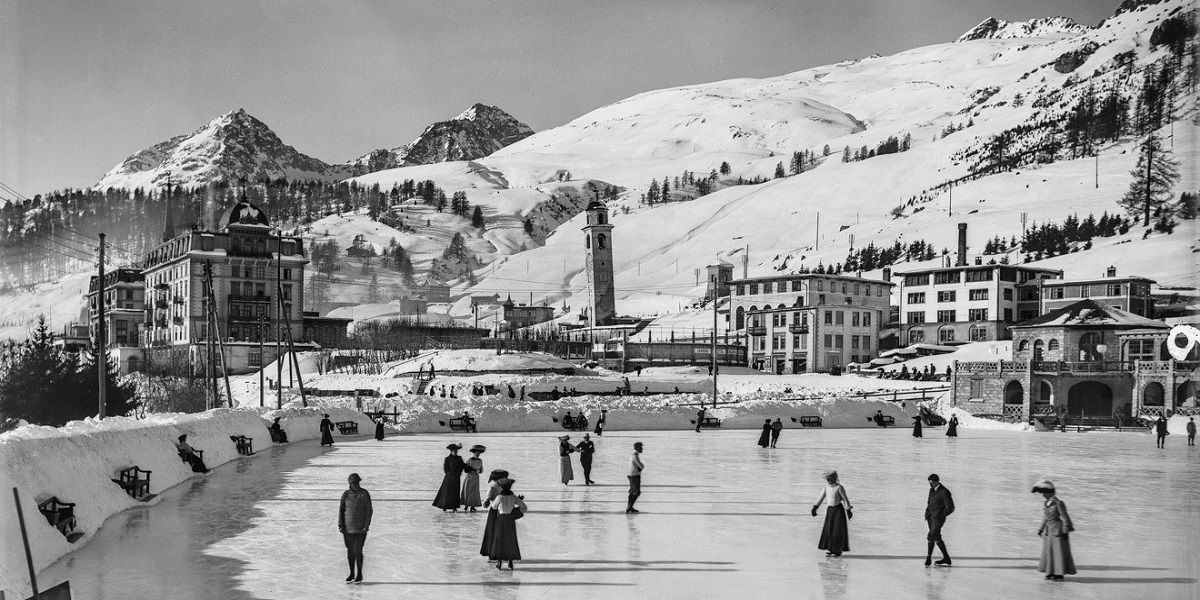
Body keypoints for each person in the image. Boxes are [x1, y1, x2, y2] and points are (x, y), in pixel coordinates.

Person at [1032, 479, 1075, 580]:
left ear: (1049, 492)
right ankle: (1050, 571)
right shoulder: (1046, 503)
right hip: (1048, 531)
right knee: (1049, 551)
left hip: (1058, 530)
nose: (1042, 495)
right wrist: (1040, 529)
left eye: (1044, 493)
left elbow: (1065, 517)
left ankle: (1059, 573)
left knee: (1057, 552)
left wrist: (1065, 531)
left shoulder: (1059, 503)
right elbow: (1045, 518)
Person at [338, 472, 372, 584]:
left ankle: (360, 574)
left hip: (361, 529)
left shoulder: (364, 494)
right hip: (348, 529)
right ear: (350, 484)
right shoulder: (346, 495)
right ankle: (352, 573)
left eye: (357, 482)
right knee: (350, 552)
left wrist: (366, 525)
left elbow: (369, 511)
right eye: (354, 483)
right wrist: (340, 525)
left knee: (358, 551)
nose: (356, 484)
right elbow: (342, 510)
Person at [488, 478, 528, 570]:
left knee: (500, 540)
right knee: (510, 540)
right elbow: (524, 508)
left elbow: (493, 507)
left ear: (502, 488)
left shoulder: (499, 497)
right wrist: (516, 510)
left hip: (501, 520)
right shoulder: (513, 497)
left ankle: (499, 562)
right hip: (510, 520)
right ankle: (510, 561)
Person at [810, 470, 852, 557]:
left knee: (837, 531)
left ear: (834, 478)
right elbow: (821, 498)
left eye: (829, 479)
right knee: (829, 530)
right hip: (830, 511)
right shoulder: (826, 487)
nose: (828, 480)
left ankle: (837, 550)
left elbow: (845, 499)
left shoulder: (839, 487)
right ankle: (831, 549)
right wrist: (815, 507)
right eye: (827, 479)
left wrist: (848, 510)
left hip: (838, 511)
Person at [924, 474, 954, 567]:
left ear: (937, 481)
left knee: (931, 535)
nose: (930, 485)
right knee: (936, 537)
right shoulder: (932, 489)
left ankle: (928, 558)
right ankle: (946, 558)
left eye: (932, 483)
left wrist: (941, 515)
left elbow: (950, 507)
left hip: (938, 518)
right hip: (930, 517)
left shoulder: (944, 492)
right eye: (929, 483)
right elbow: (929, 502)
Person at [479, 469, 509, 557]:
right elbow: (486, 503)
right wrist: (487, 502)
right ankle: (491, 553)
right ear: (496, 479)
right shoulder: (492, 488)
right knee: (494, 532)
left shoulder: (503, 487)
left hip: (503, 511)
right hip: (495, 512)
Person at [432, 443, 467, 511]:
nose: (455, 452)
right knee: (447, 493)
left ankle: (454, 507)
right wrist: (452, 472)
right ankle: (444, 506)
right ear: (451, 451)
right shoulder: (447, 459)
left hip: (456, 478)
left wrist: (471, 468)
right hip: (449, 478)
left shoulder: (459, 458)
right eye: (454, 450)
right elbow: (445, 469)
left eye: (456, 450)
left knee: (455, 492)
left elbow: (463, 466)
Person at [462, 445, 485, 512]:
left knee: (474, 492)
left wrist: (479, 471)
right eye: (476, 453)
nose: (477, 454)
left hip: (476, 478)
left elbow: (481, 470)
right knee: (468, 491)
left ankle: (472, 506)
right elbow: (464, 467)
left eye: (478, 453)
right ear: (474, 453)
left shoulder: (480, 460)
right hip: (469, 477)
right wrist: (469, 469)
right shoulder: (470, 460)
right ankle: (466, 505)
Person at [627, 442, 644, 513]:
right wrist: (642, 465)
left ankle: (630, 507)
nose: (642, 448)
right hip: (634, 476)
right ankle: (629, 507)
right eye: (640, 447)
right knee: (636, 492)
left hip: (632, 475)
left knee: (633, 491)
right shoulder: (635, 456)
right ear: (637, 448)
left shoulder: (633, 455)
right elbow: (641, 466)